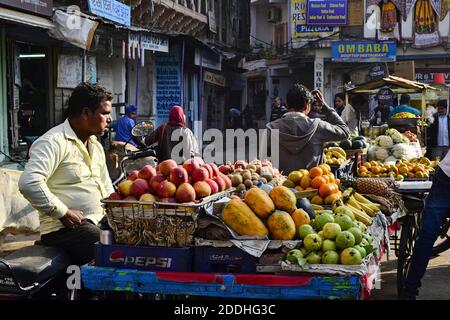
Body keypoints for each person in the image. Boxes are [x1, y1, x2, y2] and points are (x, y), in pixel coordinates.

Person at [18, 82, 114, 266]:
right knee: (111, 247)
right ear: (86, 113)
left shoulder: (95, 145)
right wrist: (63, 212)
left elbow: (106, 186)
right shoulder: (53, 142)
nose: (109, 119)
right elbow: (29, 182)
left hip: (97, 222)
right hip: (64, 231)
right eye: (105, 113)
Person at [266, 84, 350, 173]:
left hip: (279, 185)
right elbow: (344, 131)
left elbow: (262, 162)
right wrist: (325, 107)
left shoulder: (270, 128)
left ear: (286, 104)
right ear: (306, 105)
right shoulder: (318, 126)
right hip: (313, 185)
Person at [402, 151, 450, 300]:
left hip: (446, 175)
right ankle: (410, 288)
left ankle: (410, 290)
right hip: (446, 178)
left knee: (427, 236)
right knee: (427, 237)